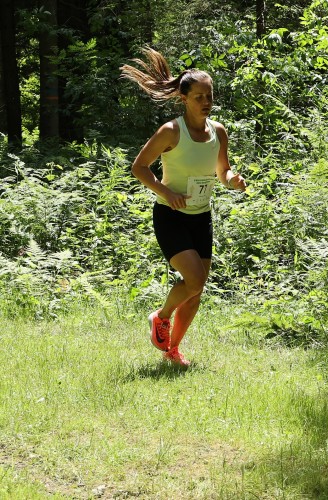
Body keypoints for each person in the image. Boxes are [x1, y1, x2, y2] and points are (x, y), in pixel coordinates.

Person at [121, 48, 246, 367]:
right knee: (195, 280)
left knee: (196, 291)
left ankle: (172, 350)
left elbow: (223, 171)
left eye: (210, 96)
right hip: (171, 216)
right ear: (184, 98)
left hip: (201, 216)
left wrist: (233, 180)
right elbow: (139, 167)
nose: (206, 102)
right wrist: (165, 191)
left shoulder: (218, 131)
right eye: (199, 96)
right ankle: (160, 317)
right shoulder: (171, 131)